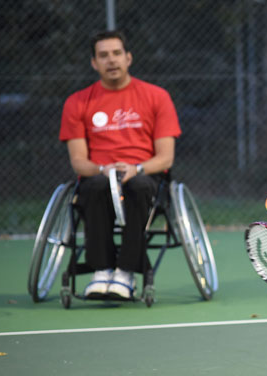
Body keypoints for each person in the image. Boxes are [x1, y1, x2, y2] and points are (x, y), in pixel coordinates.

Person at [59, 30, 181, 299]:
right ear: (94, 63)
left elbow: (165, 157)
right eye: (103, 55)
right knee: (97, 185)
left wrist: (136, 167)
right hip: (99, 176)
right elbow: (79, 161)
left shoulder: (156, 97)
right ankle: (101, 270)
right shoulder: (77, 102)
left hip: (143, 175)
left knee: (137, 185)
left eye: (116, 54)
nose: (111, 60)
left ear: (128, 58)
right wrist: (104, 169)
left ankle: (126, 273)